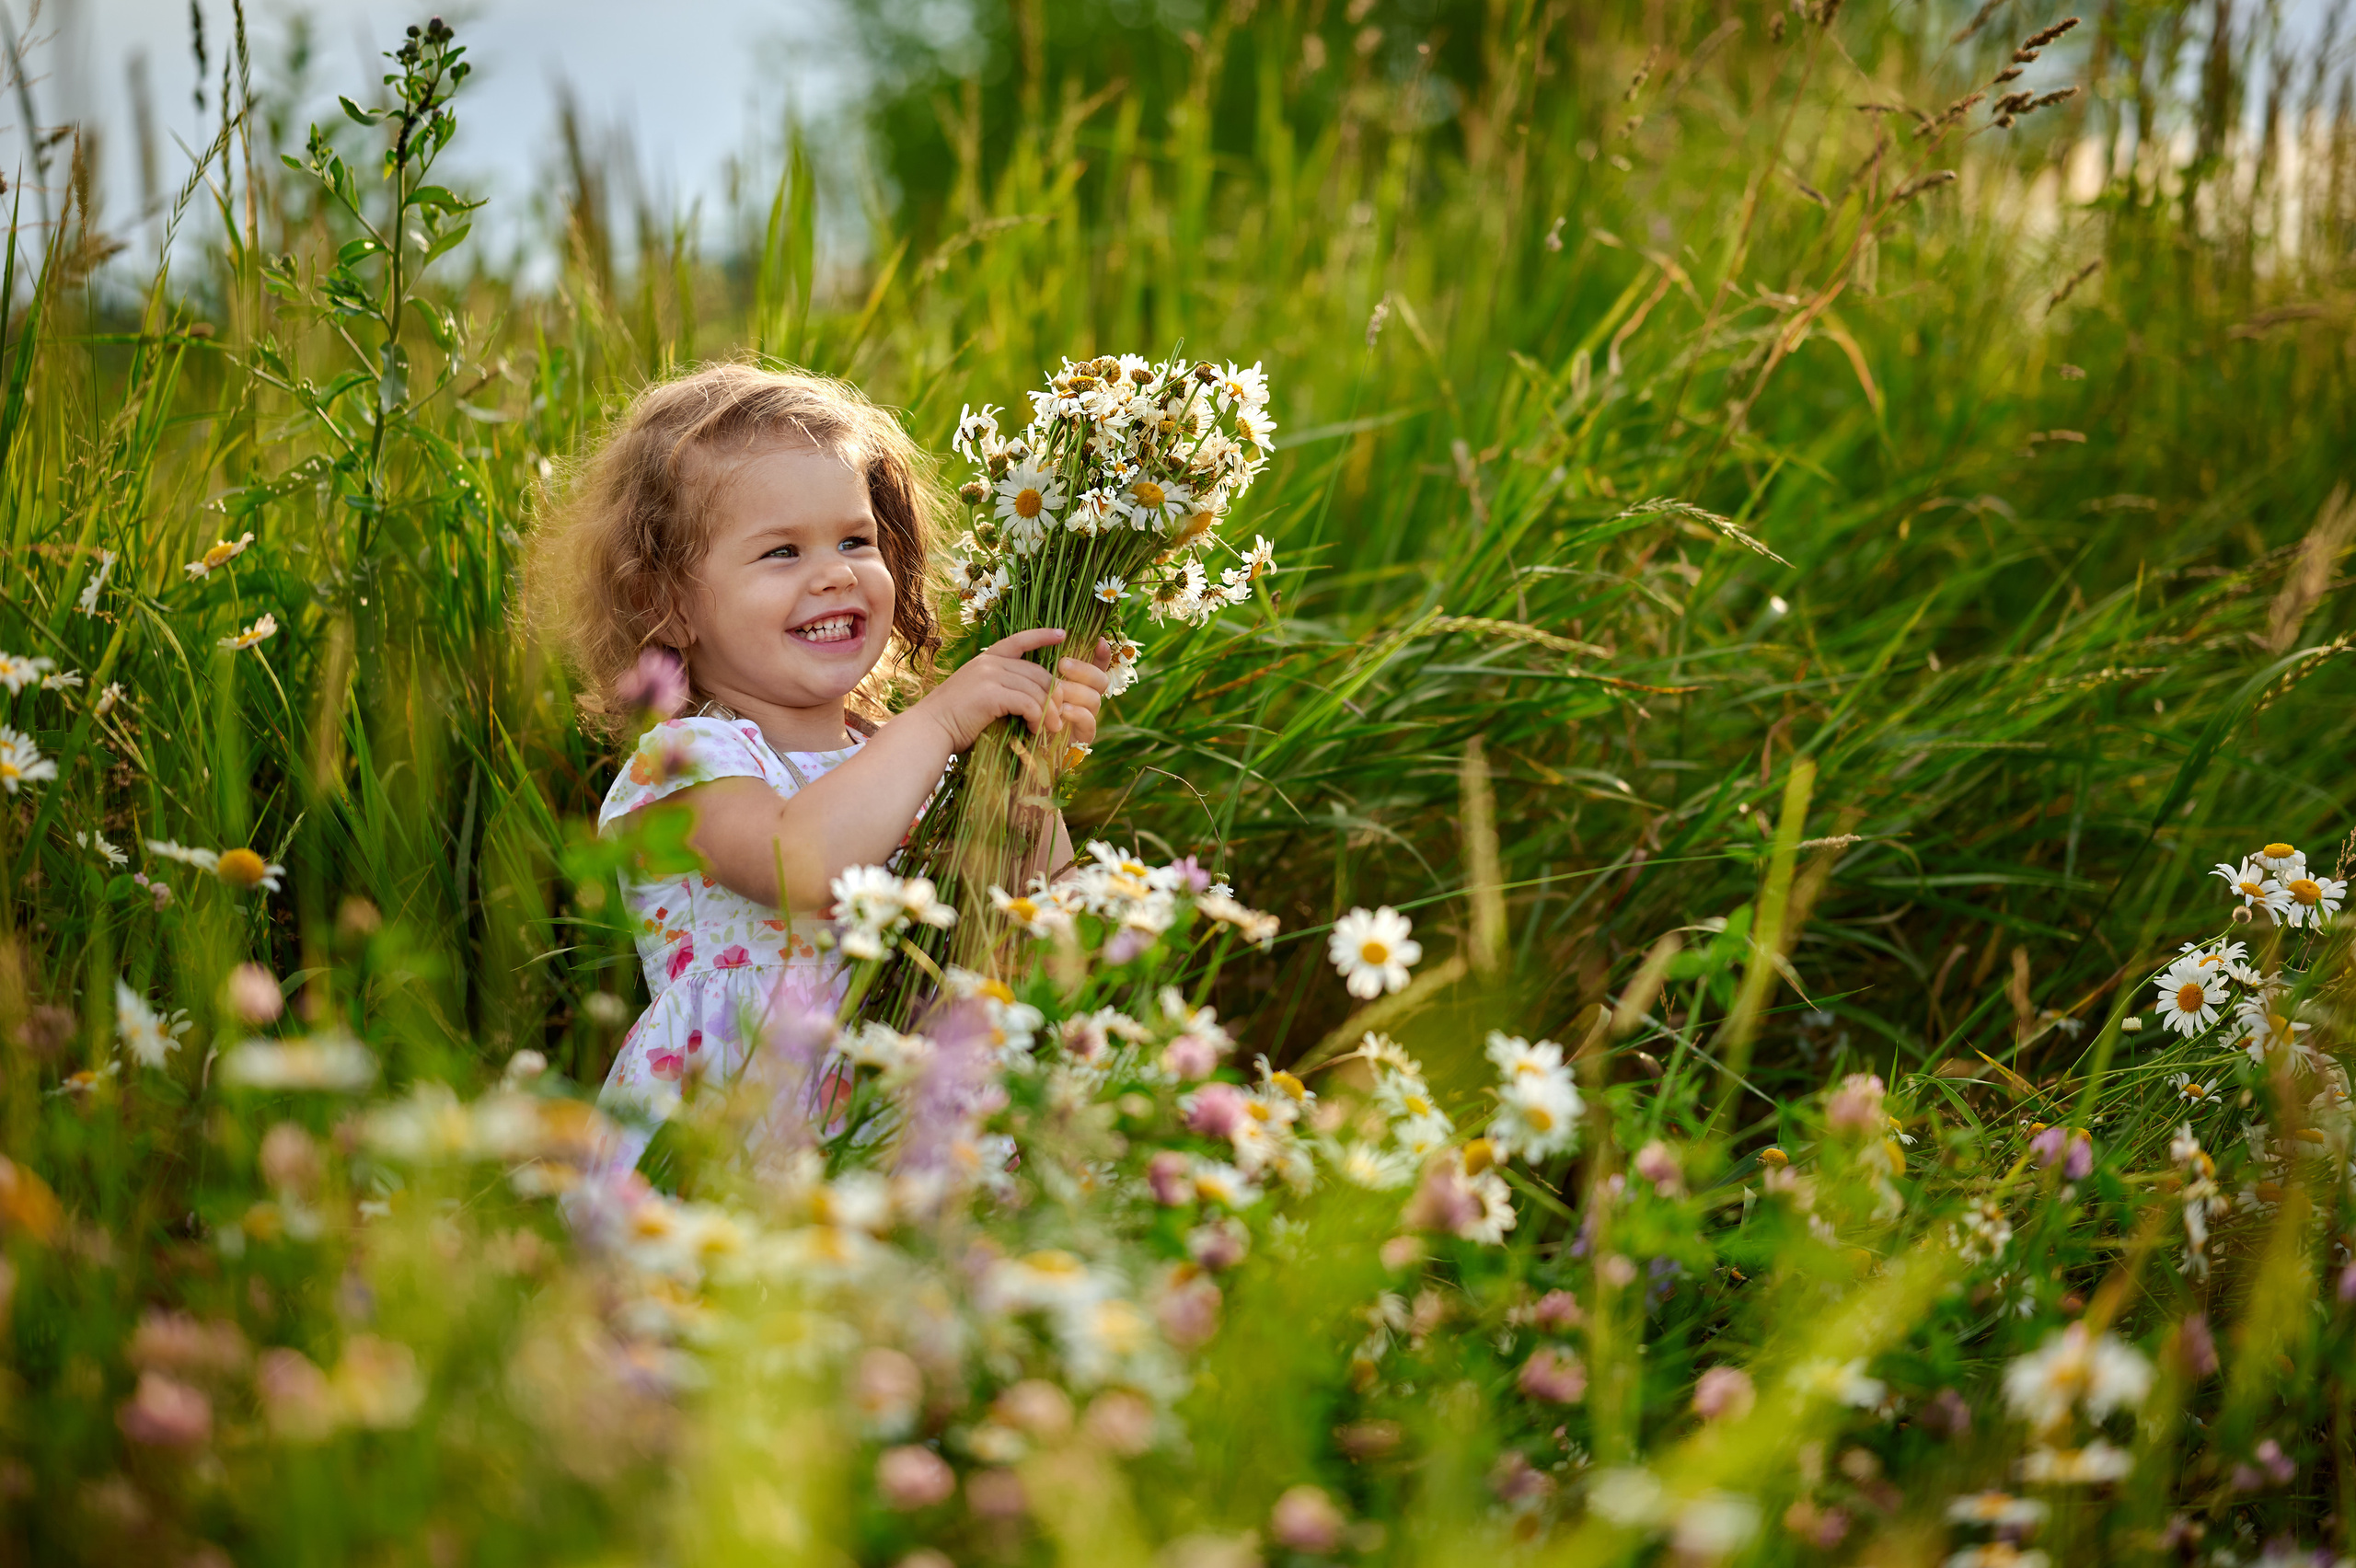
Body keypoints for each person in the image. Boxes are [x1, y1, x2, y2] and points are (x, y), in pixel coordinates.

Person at [529, 362, 1110, 1173]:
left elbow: (1045, 921)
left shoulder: (896, 756)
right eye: (780, 551)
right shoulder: (686, 763)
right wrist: (941, 719)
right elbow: (800, 862)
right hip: (740, 1134)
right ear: (669, 603)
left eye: (855, 540)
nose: (835, 571)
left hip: (907, 1120)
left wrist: (1026, 775)